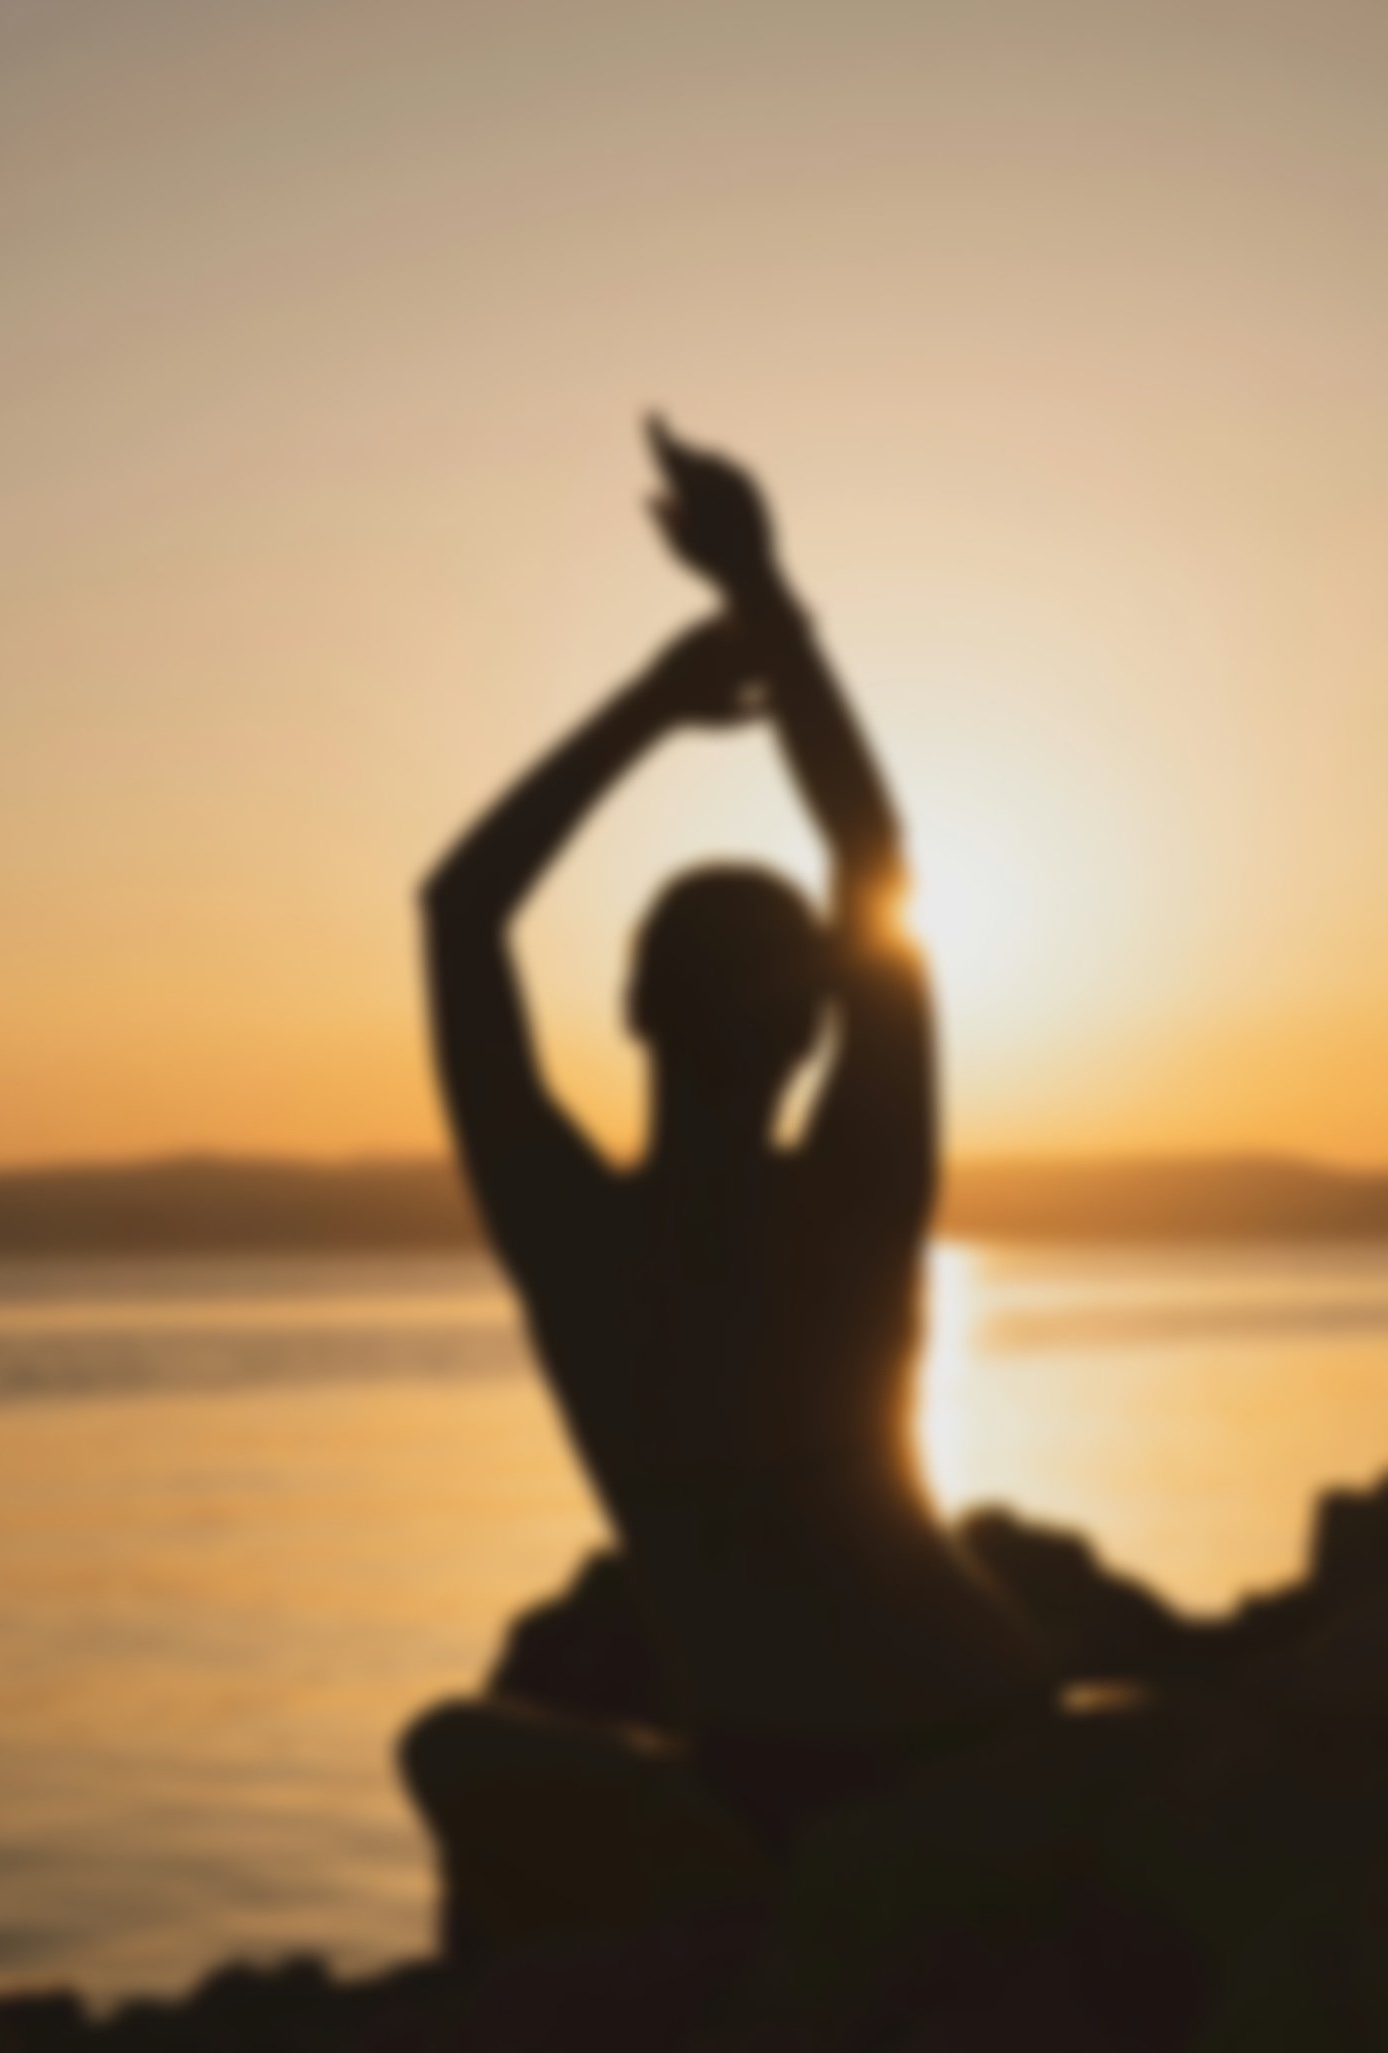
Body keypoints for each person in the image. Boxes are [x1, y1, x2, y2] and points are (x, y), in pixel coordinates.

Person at [412, 423, 1048, 1865]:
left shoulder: (575, 1236)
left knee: (453, 1750)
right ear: (812, 1031)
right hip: (966, 1733)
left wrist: (656, 703)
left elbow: (461, 911)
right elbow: (874, 859)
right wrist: (762, 596)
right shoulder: (858, 1191)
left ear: (634, 1003)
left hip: (815, 1777)